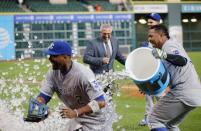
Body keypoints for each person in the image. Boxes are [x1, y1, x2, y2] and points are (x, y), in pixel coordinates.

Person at [33, 41, 115, 131]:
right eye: (50, 56)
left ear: (65, 57)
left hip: (97, 120)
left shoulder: (83, 74)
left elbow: (101, 102)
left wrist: (76, 112)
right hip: (77, 119)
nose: (50, 59)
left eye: (54, 56)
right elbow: (43, 97)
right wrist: (42, 105)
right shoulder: (52, 73)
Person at [148, 24, 201, 131]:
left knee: (154, 119)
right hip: (194, 93)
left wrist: (164, 55)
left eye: (151, 36)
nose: (149, 39)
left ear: (161, 35)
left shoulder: (168, 46)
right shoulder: (166, 47)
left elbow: (182, 61)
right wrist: (147, 85)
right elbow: (167, 77)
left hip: (183, 92)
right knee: (170, 125)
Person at [139, 13, 163, 126]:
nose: (149, 24)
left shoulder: (163, 37)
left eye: (151, 22)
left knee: (160, 96)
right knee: (148, 96)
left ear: (158, 23)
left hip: (159, 72)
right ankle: (147, 118)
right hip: (148, 72)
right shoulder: (149, 37)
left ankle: (164, 117)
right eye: (148, 22)